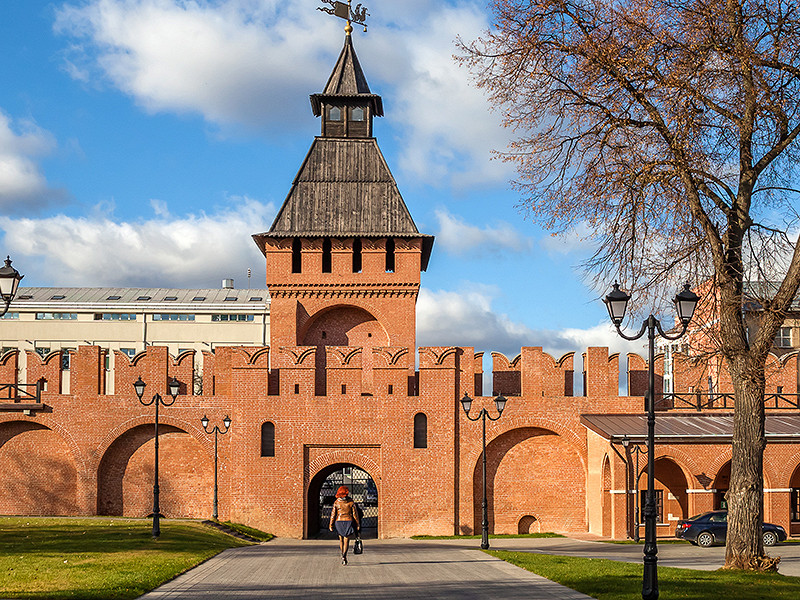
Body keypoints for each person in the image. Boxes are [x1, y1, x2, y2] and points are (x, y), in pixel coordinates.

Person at [329, 485, 360, 565]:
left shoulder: (336, 502)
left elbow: (333, 514)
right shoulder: (351, 502)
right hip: (348, 521)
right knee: (346, 540)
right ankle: (344, 556)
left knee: (341, 540)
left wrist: (331, 525)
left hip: (339, 522)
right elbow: (355, 514)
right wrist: (357, 524)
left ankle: (342, 554)